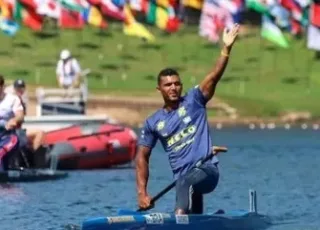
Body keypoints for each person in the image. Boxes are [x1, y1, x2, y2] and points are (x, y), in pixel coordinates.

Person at [136, 24, 240, 214]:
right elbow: (142, 157)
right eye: (168, 85)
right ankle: (200, 221)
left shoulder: (194, 101)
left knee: (184, 183)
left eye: (177, 84)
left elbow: (213, 77)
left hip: (207, 171)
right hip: (185, 179)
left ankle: (180, 222)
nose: (173, 88)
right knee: (186, 188)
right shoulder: (153, 122)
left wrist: (226, 49)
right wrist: (142, 193)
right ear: (159, 89)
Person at [5, 79, 45, 153]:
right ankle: (32, 157)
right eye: (18, 88)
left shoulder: (21, 101)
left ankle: (32, 155)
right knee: (39, 133)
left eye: (22, 88)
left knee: (39, 133)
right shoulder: (11, 101)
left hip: (19, 130)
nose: (20, 90)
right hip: (11, 131)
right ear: (14, 89)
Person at [0, 75, 25, 170]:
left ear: (2, 86)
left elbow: (20, 116)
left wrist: (13, 120)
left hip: (9, 137)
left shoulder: (12, 99)